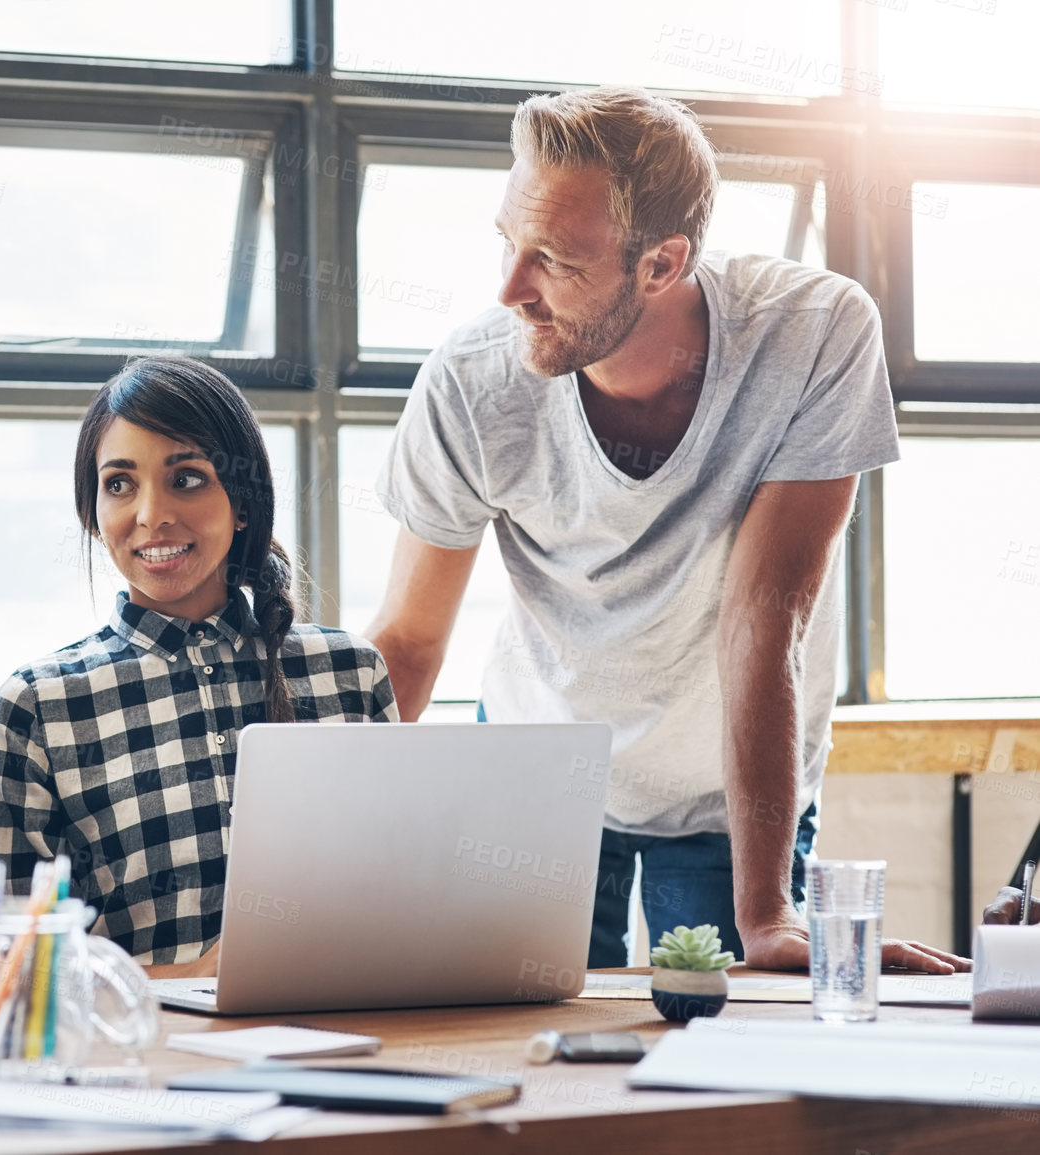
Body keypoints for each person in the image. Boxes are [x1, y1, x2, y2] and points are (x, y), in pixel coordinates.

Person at [366, 86, 967, 974]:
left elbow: (764, 620)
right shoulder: (471, 381)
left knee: (722, 1045)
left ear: (660, 262)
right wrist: (320, 863)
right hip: (535, 771)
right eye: (507, 241)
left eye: (554, 260)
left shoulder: (814, 332)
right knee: (527, 1051)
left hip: (726, 792)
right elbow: (410, 641)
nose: (509, 289)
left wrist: (765, 911)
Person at [0, 357, 397, 978]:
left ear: (246, 502)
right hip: (143, 1061)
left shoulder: (350, 673)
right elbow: (17, 969)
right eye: (120, 484)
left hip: (353, 1042)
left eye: (188, 478)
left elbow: (404, 900)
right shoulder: (38, 704)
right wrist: (199, 978)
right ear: (91, 515)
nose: (151, 514)